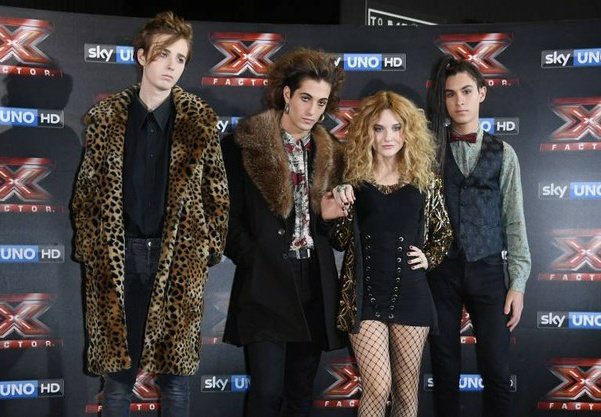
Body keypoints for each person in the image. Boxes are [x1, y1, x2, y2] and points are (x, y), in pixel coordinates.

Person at [71, 11, 229, 417]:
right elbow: (85, 193)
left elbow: (217, 194)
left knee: (176, 381)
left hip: (178, 259)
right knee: (117, 380)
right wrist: (91, 247)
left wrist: (207, 249)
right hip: (117, 258)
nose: (171, 66)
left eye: (180, 58)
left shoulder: (200, 121)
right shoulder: (105, 119)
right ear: (142, 56)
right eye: (163, 55)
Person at [221, 47, 345, 417]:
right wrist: (255, 258)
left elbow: (332, 232)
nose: (312, 111)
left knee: (300, 394)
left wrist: (328, 218)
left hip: (313, 281)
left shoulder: (332, 153)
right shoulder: (245, 144)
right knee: (266, 392)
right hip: (265, 281)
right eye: (306, 98)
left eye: (321, 103)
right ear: (287, 94)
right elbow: (224, 217)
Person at [323, 91, 452, 417]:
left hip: (412, 295)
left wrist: (429, 257)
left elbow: (443, 233)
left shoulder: (425, 180)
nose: (388, 137)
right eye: (378, 129)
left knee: (407, 395)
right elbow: (339, 241)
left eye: (396, 128)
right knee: (378, 388)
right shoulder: (352, 179)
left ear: (408, 131)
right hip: (364, 297)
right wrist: (338, 205)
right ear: (366, 132)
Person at [425, 56, 531, 417]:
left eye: (467, 91)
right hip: (440, 272)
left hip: (487, 271)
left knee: (497, 371)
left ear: (482, 93)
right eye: (451, 94)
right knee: (444, 371)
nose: (460, 101)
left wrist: (518, 283)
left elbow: (514, 221)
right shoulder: (430, 151)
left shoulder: (504, 153)